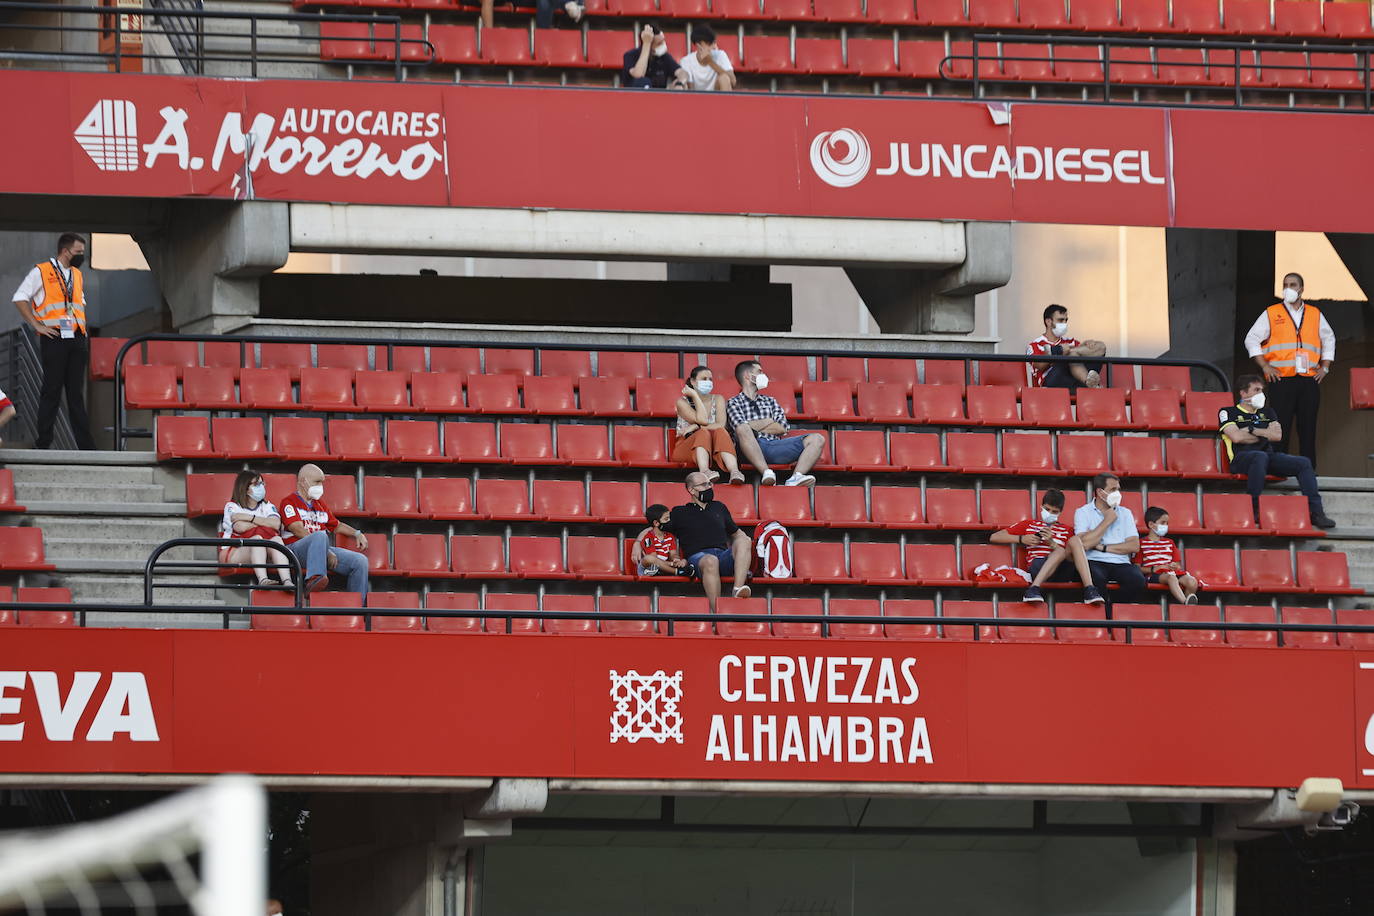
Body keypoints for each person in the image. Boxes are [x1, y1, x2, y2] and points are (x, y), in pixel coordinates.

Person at [10, 233, 96, 450]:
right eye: (78, 252)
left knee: (75, 393)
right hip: (55, 338)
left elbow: (78, 303)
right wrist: (36, 325)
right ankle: (44, 441)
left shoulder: (76, 274)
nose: (81, 256)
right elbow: (19, 297)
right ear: (65, 251)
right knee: (52, 390)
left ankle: (86, 446)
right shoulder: (41, 271)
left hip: (76, 338)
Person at [1219, 374, 1336, 529]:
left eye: (1262, 390)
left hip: (1268, 458)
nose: (1261, 394)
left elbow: (1277, 436)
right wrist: (1263, 433)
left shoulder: (1268, 412)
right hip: (1241, 459)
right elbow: (1236, 437)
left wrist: (1252, 430)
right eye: (1256, 390)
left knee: (1303, 462)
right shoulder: (1228, 412)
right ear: (1243, 393)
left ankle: (1316, 512)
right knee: (1259, 456)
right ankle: (1252, 507)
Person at [1243, 271, 1334, 468]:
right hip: (1281, 379)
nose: (1288, 288)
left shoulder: (1314, 313)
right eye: (1285, 285)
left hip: (1309, 380)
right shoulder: (1272, 312)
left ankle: (1309, 470)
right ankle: (1278, 469)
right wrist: (1265, 365)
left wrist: (1324, 368)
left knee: (1308, 428)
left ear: (1301, 289)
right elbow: (1251, 339)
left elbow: (1329, 339)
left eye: (1293, 285)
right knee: (1279, 426)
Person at [990, 488, 1103, 606]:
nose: (1050, 513)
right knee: (1059, 551)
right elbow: (995, 536)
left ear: (1060, 512)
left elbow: (1075, 552)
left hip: (1062, 570)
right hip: (1038, 566)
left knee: (1071, 543)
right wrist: (1021, 539)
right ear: (1041, 506)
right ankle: (1034, 588)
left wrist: (1052, 543)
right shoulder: (1029, 524)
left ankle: (1090, 588)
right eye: (1047, 509)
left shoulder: (1067, 530)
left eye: (1054, 511)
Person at [726, 360, 825, 487]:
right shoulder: (733, 402)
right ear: (747, 375)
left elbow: (782, 427)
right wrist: (768, 421)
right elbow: (739, 428)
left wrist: (752, 426)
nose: (764, 375)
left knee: (817, 439)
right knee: (743, 430)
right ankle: (766, 472)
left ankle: (796, 477)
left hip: (775, 445)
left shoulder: (770, 401)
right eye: (759, 371)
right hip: (750, 448)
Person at [665, 471, 752, 610]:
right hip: (699, 559)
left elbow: (737, 533)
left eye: (709, 483)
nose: (709, 487)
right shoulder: (679, 512)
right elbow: (657, 527)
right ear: (691, 490)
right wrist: (638, 543)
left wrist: (745, 545)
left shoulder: (719, 507)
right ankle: (717, 614)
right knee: (711, 560)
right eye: (704, 484)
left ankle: (737, 589)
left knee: (745, 540)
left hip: (722, 557)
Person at [278, 464, 370, 595]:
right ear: (303, 482)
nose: (320, 486)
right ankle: (314, 578)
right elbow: (297, 529)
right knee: (320, 536)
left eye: (321, 482)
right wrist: (325, 551)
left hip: (320, 549)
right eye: (317, 482)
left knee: (360, 561)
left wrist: (357, 533)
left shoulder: (320, 504)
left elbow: (336, 525)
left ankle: (358, 609)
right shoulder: (289, 502)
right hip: (295, 550)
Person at [1073, 473, 1145, 609]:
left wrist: (1103, 547)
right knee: (1096, 579)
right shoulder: (1083, 512)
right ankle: (1103, 621)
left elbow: (1134, 546)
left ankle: (1114, 610)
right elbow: (1084, 544)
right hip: (1093, 560)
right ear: (1100, 492)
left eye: (1118, 489)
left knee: (1137, 580)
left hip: (1121, 562)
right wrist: (1107, 521)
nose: (1117, 493)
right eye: (1113, 490)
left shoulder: (1125, 512)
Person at [221, 470, 294, 589]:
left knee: (276, 539)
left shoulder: (267, 506)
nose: (261, 487)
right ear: (245, 488)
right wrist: (264, 523)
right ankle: (263, 579)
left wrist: (249, 518)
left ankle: (287, 581)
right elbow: (240, 527)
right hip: (235, 550)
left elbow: (275, 524)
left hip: (265, 550)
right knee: (257, 540)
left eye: (261, 484)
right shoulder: (232, 506)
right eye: (256, 484)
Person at [674, 365, 745, 484]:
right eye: (704, 379)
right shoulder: (682, 402)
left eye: (710, 379)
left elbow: (721, 424)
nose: (708, 382)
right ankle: (705, 471)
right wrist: (695, 396)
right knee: (703, 432)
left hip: (714, 447)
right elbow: (703, 420)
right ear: (692, 381)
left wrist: (696, 426)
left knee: (721, 431)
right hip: (686, 447)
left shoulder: (718, 399)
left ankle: (734, 471)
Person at [1026, 304, 1107, 390]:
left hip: (1074, 380)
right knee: (1071, 355)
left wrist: (1087, 345)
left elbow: (1098, 350)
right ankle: (1090, 383)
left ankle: (1089, 382)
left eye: (1066, 320)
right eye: (1060, 320)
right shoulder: (1035, 345)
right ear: (1048, 322)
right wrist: (1059, 353)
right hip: (1052, 383)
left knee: (1100, 346)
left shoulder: (1071, 341)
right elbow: (1038, 365)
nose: (1064, 323)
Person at [1138, 506, 1199, 605]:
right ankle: (1185, 603)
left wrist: (1174, 566)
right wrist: (1155, 568)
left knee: (1192, 582)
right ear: (1151, 524)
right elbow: (1137, 567)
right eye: (1162, 523)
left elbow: (1178, 565)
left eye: (1167, 523)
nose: (1166, 525)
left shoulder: (1170, 542)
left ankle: (1187, 605)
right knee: (1171, 578)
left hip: (1172, 572)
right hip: (1155, 574)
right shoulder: (1141, 543)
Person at [631, 504, 688, 576]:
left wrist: (676, 559)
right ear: (656, 523)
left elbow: (673, 554)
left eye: (669, 518)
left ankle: (664, 571)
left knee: (685, 561)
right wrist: (671, 564)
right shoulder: (648, 537)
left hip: (664, 565)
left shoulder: (670, 536)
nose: (669, 521)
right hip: (648, 567)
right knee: (649, 559)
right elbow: (653, 558)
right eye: (666, 519)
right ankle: (677, 572)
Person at [677, 25, 735, 91]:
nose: (713, 47)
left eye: (714, 43)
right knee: (682, 85)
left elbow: (733, 81)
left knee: (724, 78)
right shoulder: (686, 61)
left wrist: (710, 62)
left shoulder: (720, 55)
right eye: (709, 44)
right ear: (698, 45)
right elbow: (690, 89)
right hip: (696, 98)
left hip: (717, 96)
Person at [623, 24, 682, 89]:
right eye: (659, 43)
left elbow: (681, 72)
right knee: (643, 81)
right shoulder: (630, 55)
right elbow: (638, 74)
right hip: (634, 96)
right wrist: (647, 44)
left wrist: (680, 82)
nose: (664, 45)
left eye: (663, 41)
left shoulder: (665, 57)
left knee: (682, 85)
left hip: (660, 96)